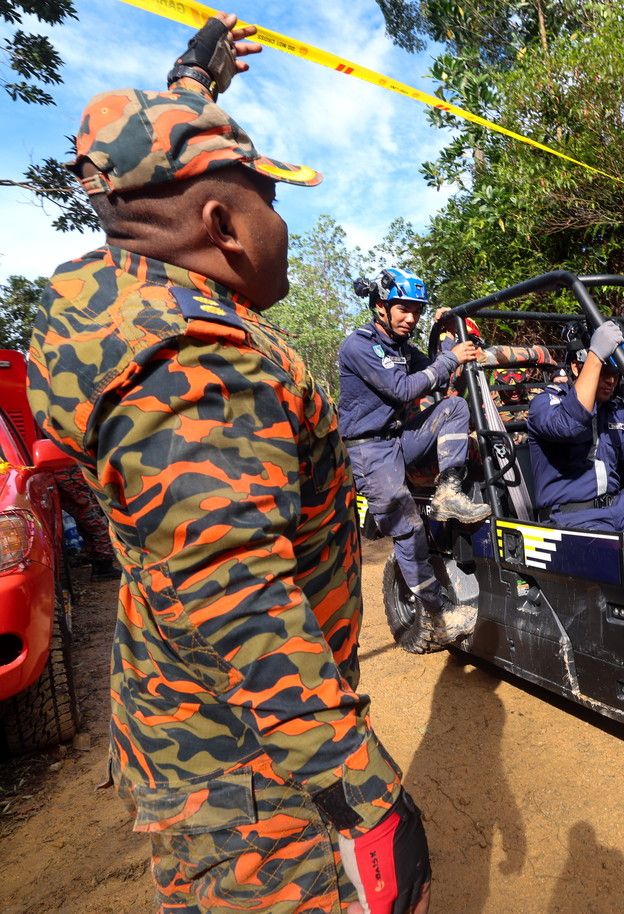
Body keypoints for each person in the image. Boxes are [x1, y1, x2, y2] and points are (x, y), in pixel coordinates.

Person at [24, 13, 430, 914]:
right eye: (270, 200)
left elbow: (130, 149)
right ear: (221, 221)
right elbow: (235, 590)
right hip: (246, 777)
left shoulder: (127, 293)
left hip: (191, 717)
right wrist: (364, 796)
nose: (281, 220)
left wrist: (194, 80)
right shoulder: (195, 367)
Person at [338, 268, 491, 637]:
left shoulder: (403, 348)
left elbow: (440, 374)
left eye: (417, 310)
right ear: (380, 307)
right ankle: (437, 614)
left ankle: (448, 492)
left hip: (398, 438)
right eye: (403, 309)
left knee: (454, 408)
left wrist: (449, 337)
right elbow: (404, 389)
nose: (411, 318)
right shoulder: (358, 346)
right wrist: (448, 359)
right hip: (369, 449)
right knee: (408, 531)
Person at [527, 322, 624, 531]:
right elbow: (569, 425)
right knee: (618, 556)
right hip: (573, 517)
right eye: (604, 371)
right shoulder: (546, 403)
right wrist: (596, 355)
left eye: (615, 374)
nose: (610, 381)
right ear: (576, 366)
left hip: (622, 509)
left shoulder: (616, 409)